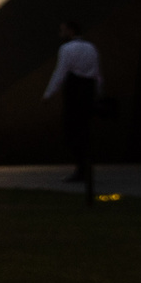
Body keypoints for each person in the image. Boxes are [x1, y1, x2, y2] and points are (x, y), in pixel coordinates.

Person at [45, 20, 103, 184]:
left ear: (70, 31)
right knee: (85, 131)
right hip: (88, 91)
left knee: (72, 131)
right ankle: (86, 167)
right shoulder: (91, 47)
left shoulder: (66, 49)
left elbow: (61, 72)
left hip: (74, 91)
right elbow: (97, 73)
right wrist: (99, 92)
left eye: (62, 30)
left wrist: (49, 93)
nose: (60, 33)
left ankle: (80, 168)